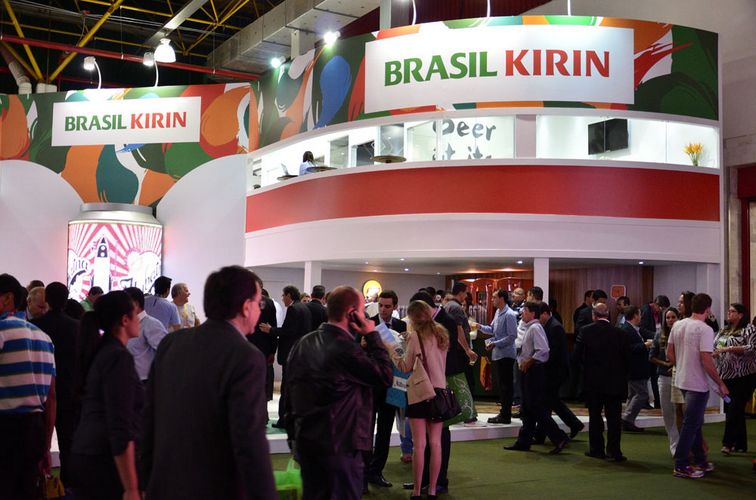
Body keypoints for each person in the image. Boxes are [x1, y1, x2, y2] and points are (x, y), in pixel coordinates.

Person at [141, 266, 276, 498]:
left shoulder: (172, 343)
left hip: (164, 484)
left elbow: (149, 417)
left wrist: (144, 482)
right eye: (258, 303)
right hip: (214, 488)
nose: (259, 309)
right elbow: (249, 442)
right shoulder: (246, 356)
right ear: (246, 307)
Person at [284, 286, 393, 500]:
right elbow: (384, 377)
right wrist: (372, 335)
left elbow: (289, 396)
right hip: (340, 448)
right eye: (361, 311)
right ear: (352, 313)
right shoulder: (346, 349)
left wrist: (294, 439)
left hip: (307, 443)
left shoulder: (303, 343)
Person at [69, 291, 141, 500]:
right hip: (104, 461)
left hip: (87, 454)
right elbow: (119, 423)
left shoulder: (101, 352)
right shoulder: (117, 357)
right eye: (136, 314)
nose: (139, 319)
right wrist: (131, 488)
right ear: (125, 320)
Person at [0, 274, 57, 499]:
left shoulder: (2, 331)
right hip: (35, 428)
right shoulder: (44, 338)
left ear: (7, 298)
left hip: (5, 428)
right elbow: (51, 397)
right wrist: (46, 445)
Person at [667, 293, 729, 479]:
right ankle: (681, 465)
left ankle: (701, 460)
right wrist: (720, 383)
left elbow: (669, 353)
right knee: (691, 424)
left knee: (694, 423)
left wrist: (683, 365)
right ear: (708, 309)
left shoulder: (678, 324)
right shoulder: (705, 329)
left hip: (682, 380)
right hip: (697, 383)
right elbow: (706, 360)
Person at [393, 300, 449, 500]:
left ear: (412, 318)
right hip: (440, 392)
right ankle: (432, 490)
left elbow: (405, 366)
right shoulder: (442, 334)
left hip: (420, 393)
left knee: (419, 445)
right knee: (436, 444)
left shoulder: (415, 337)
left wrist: (392, 349)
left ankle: (417, 491)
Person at [504, 302, 569, 455]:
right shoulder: (530, 327)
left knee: (535, 407)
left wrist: (529, 361)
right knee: (528, 408)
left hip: (533, 371)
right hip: (529, 370)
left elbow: (543, 350)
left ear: (533, 313)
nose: (522, 313)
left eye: (525, 310)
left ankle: (559, 437)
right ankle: (524, 441)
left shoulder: (535, 328)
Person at [30, 282, 79, 486]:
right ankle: (68, 485)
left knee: (38, 443)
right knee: (68, 443)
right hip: (69, 391)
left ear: (47, 300)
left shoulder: (35, 326)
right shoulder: (76, 327)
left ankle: (37, 483)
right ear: (66, 300)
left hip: (41, 390)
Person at [573, 302, 629, 461]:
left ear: (593, 315)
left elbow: (576, 357)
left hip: (593, 382)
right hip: (615, 382)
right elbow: (627, 359)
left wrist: (586, 371)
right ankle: (614, 451)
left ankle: (596, 449)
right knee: (614, 418)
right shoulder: (620, 333)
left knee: (595, 416)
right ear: (608, 314)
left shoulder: (585, 331)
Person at [365, 290, 407, 489]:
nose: (383, 309)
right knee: (366, 431)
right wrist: (363, 343)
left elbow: (403, 354)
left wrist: (408, 341)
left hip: (392, 385)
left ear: (395, 306)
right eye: (381, 305)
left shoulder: (401, 326)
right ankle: (363, 474)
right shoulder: (369, 323)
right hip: (371, 384)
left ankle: (376, 472)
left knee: (384, 431)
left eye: (387, 306)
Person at [259, 285, 312, 428]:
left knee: (286, 388)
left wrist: (270, 330)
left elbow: (288, 331)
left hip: (291, 353)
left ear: (289, 295)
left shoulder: (293, 309)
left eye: (283, 295)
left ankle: (283, 419)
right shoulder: (304, 308)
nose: (282, 299)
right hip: (300, 353)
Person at [535, 303, 584, 441]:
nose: (538, 319)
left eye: (539, 316)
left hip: (555, 371)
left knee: (547, 401)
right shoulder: (551, 325)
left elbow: (555, 352)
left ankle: (542, 434)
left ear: (545, 313)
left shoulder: (554, 327)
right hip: (554, 371)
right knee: (551, 401)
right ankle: (573, 424)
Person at [713, 303, 756, 454]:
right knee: (734, 410)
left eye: (732, 311)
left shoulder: (749, 329)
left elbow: (752, 348)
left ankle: (727, 443)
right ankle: (741, 444)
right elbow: (715, 346)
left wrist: (730, 349)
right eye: (729, 311)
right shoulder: (724, 330)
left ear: (741, 315)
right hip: (725, 376)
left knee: (734, 409)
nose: (729, 313)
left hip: (744, 376)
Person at [476, 288, 518, 424]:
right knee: (502, 385)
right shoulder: (498, 312)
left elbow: (512, 336)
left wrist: (495, 343)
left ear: (502, 298)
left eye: (494, 297)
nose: (492, 299)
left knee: (506, 386)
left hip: (507, 354)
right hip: (499, 354)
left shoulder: (509, 314)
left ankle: (506, 415)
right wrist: (479, 326)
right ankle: (504, 413)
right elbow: (492, 329)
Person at [649, 307, 681, 455]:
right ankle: (674, 444)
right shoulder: (659, 334)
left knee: (679, 412)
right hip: (663, 377)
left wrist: (675, 365)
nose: (670, 320)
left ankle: (683, 444)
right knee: (667, 412)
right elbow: (652, 356)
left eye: (673, 317)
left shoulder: (681, 333)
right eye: (668, 317)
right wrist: (665, 364)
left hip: (679, 378)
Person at [620, 305, 655, 432]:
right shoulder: (626, 329)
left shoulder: (632, 328)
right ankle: (627, 419)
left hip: (636, 368)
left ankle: (627, 419)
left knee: (633, 395)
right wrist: (645, 345)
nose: (641, 317)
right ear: (635, 315)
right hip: (634, 368)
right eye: (639, 314)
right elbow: (628, 349)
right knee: (642, 394)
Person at [124, 287, 168, 383]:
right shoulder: (126, 324)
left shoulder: (151, 324)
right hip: (128, 379)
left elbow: (166, 351)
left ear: (135, 304)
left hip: (144, 382)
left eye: (123, 303)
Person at [247, 287, 278, 405]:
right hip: (264, 347)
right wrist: (273, 350)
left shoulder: (242, 301)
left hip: (246, 346)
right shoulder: (269, 303)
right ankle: (262, 409)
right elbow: (272, 328)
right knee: (262, 380)